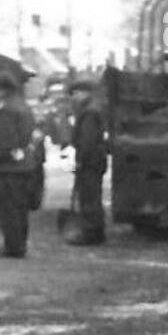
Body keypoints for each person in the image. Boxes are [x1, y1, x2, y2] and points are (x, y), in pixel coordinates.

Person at [0, 70, 37, 258]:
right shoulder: (24, 106)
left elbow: (6, 142)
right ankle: (20, 244)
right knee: (20, 207)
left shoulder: (5, 110)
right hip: (25, 165)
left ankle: (12, 246)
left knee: (7, 209)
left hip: (9, 168)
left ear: (2, 89)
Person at [66, 79, 106, 245]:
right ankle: (96, 231)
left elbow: (87, 140)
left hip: (89, 162)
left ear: (84, 93)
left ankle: (91, 233)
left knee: (89, 198)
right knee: (92, 197)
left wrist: (80, 161)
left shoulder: (89, 113)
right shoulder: (92, 109)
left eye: (75, 94)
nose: (73, 98)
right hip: (94, 160)